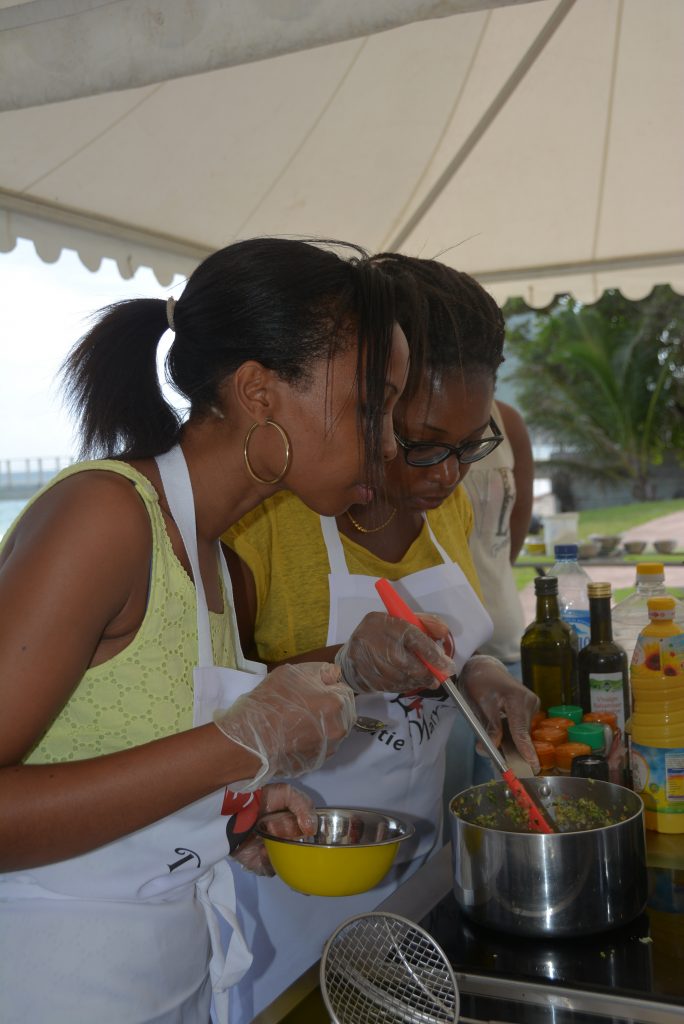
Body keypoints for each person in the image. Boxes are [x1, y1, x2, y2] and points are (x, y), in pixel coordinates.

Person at [0, 238, 459, 1024]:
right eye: (372, 404)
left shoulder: (218, 563)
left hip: (170, 979)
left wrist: (221, 809)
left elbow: (120, 745)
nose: (389, 444)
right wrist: (235, 748)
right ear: (259, 392)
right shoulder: (105, 520)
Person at [222, 253, 540, 1022]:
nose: (448, 475)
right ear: (369, 399)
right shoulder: (262, 520)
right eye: (422, 440)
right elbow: (205, 709)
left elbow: (444, 651)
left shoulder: (449, 507)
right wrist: (343, 666)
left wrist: (482, 674)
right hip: (283, 894)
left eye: (473, 444)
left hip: (413, 885)